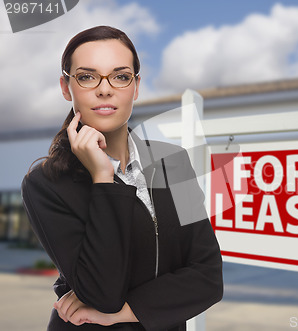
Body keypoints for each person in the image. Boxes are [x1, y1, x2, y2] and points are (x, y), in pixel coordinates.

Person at [21, 25, 223, 330]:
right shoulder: (45, 184)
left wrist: (125, 312)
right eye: (87, 76)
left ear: (136, 86)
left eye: (120, 76)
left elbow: (208, 277)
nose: (105, 89)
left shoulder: (174, 162)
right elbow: (103, 294)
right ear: (66, 87)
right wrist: (103, 177)